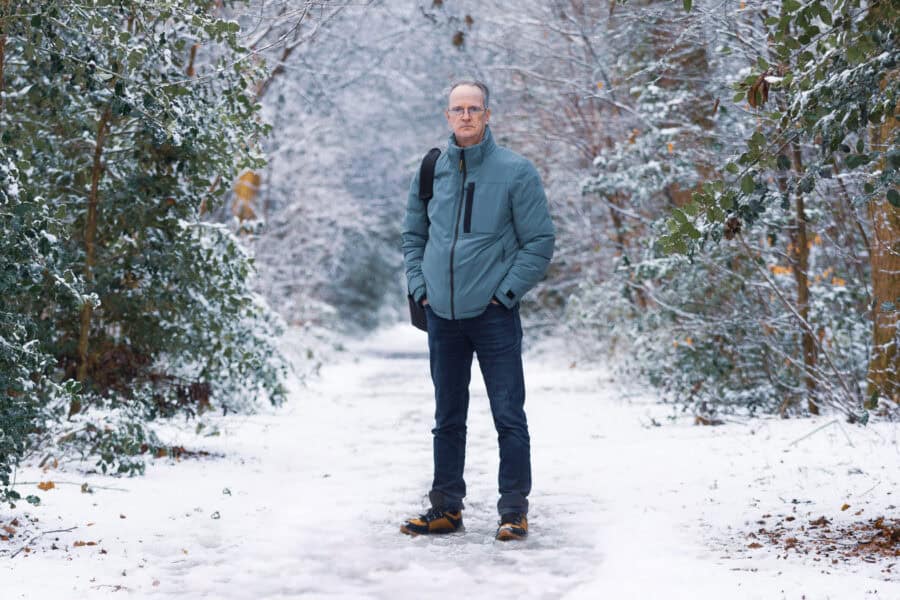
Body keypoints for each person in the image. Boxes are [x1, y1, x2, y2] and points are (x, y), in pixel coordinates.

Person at [400, 80, 555, 541]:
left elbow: (539, 242)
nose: (465, 116)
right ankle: (446, 507)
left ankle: (513, 510)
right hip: (441, 317)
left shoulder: (516, 171)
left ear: (488, 115)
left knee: (509, 415)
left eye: (474, 108)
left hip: (493, 316)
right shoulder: (431, 170)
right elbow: (413, 237)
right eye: (458, 109)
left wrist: (504, 294)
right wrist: (420, 288)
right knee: (447, 417)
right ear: (447, 116)